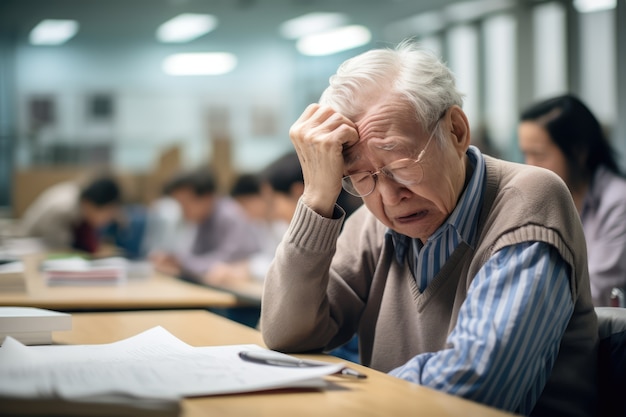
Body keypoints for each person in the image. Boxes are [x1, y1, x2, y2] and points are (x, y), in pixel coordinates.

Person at [260, 41, 598, 416]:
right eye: (360, 178)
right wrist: (318, 198)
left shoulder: (529, 200)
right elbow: (285, 334)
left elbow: (476, 386)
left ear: (455, 131)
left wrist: (350, 402)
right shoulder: (374, 223)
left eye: (401, 166)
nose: (389, 198)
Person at [518, 94, 626, 307]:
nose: (529, 166)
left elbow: (594, 291)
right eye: (525, 155)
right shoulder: (542, 198)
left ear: (578, 152)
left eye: (538, 155)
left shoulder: (618, 203)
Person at [149, 167, 261, 280]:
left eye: (186, 204)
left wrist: (182, 263)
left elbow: (227, 260)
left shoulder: (231, 216)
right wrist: (175, 260)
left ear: (207, 197)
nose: (183, 211)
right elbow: (193, 254)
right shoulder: (202, 218)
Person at [20, 175, 122, 254]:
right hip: (29, 247)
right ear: (92, 205)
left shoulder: (79, 198)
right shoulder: (64, 209)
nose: (107, 220)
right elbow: (61, 249)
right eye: (108, 213)